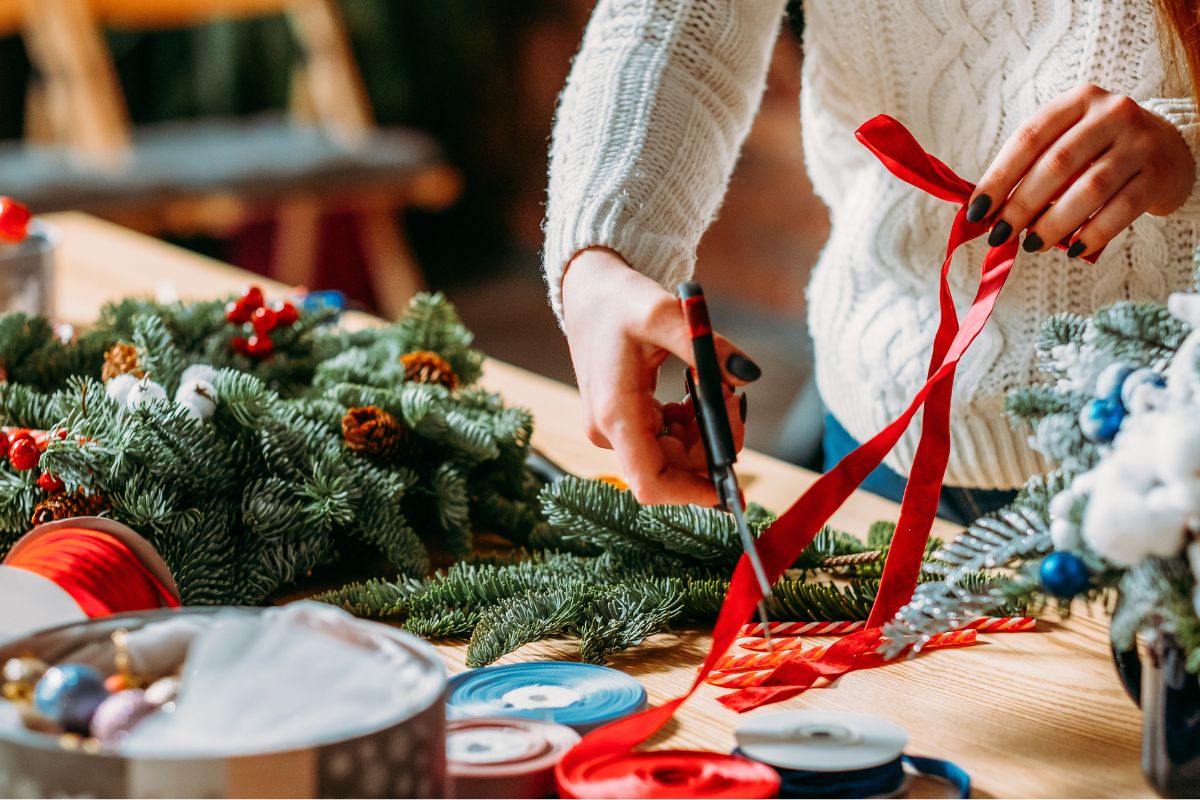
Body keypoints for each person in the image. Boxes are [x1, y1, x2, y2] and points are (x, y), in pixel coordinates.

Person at [542, 0, 1200, 523]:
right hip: (881, 432)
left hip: (1169, 459)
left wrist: (1187, 160)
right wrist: (603, 256)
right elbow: (674, 24)